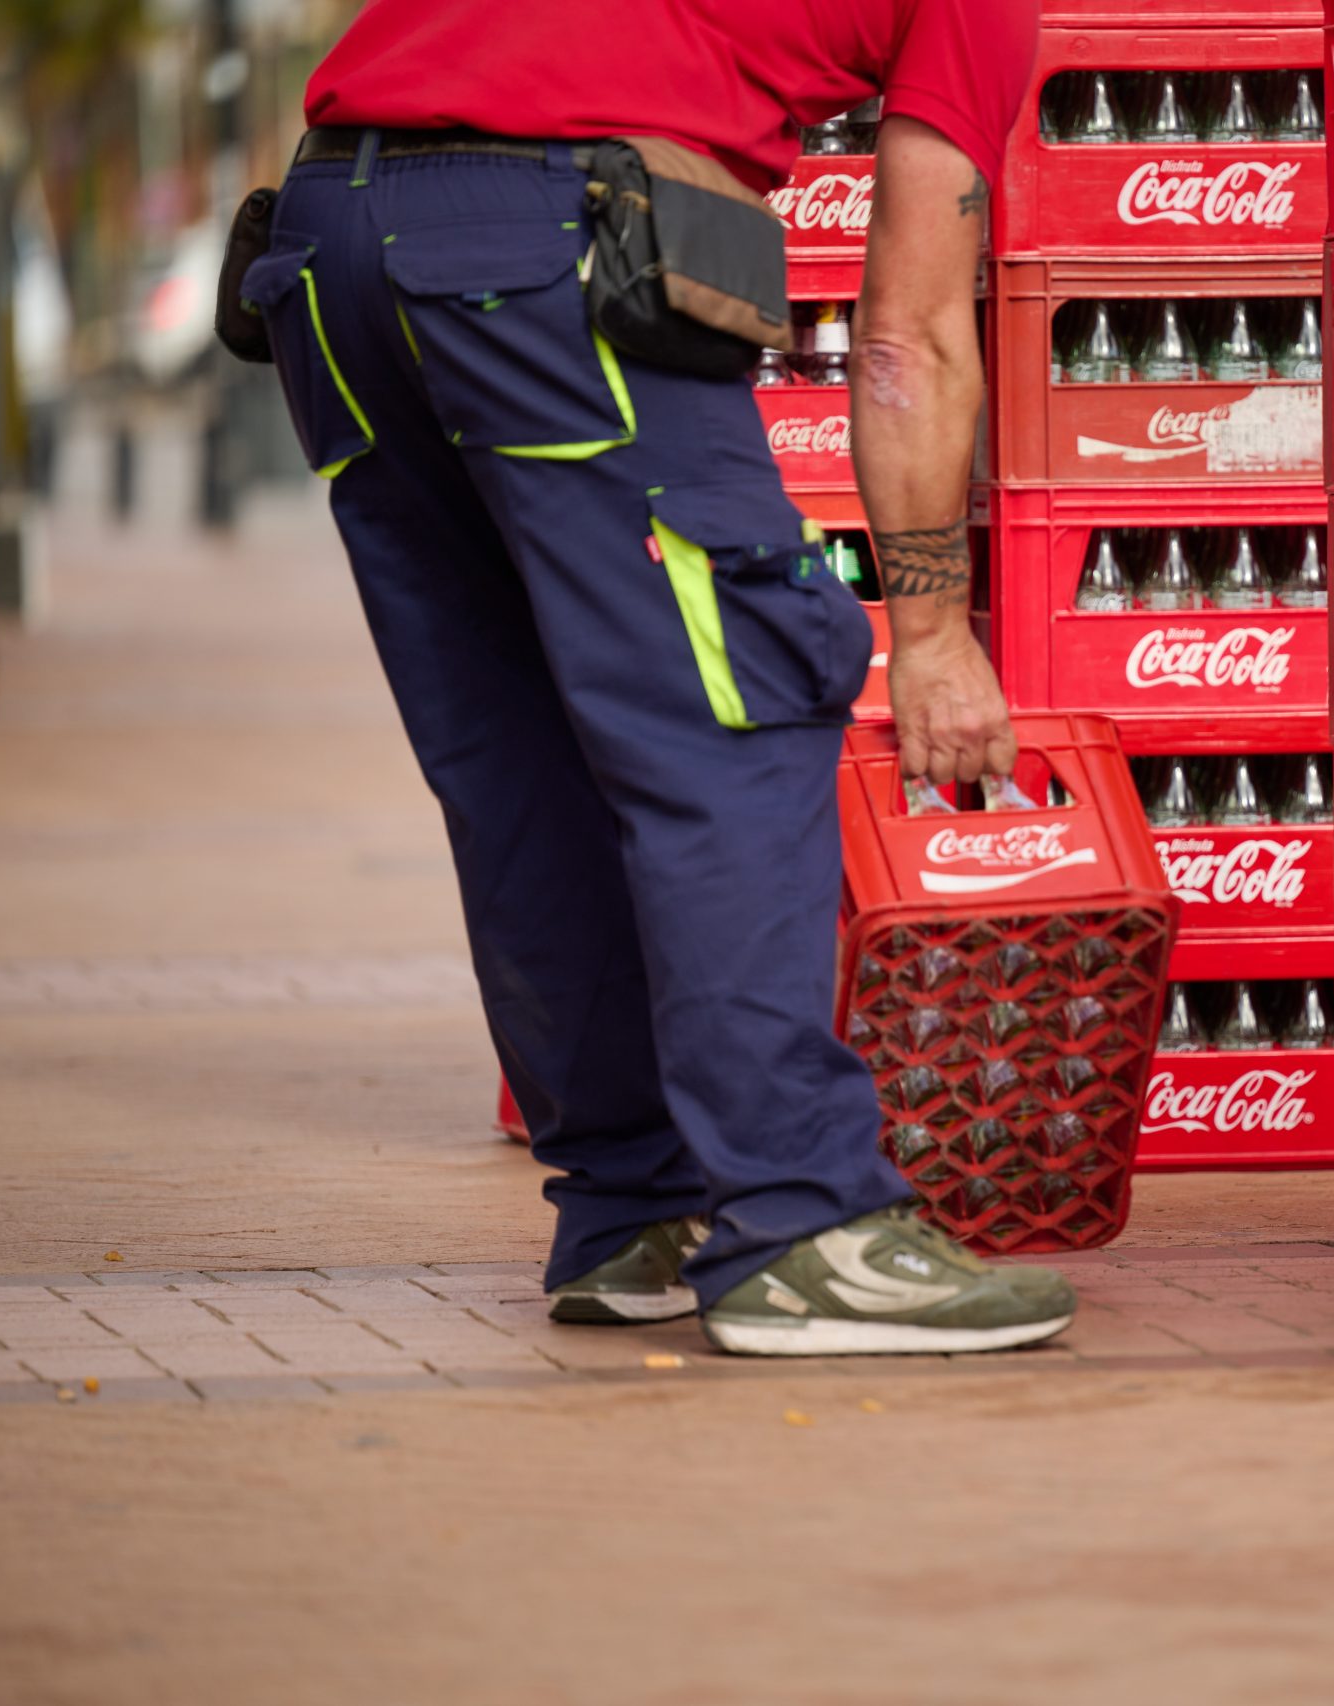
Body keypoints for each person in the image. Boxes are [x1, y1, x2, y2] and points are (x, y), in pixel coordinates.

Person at [260, 0, 1070, 1355]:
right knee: (735, 701)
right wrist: (932, 635)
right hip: (539, 241)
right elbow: (907, 335)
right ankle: (802, 1223)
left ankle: (635, 1208)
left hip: (325, 244)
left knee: (519, 746)